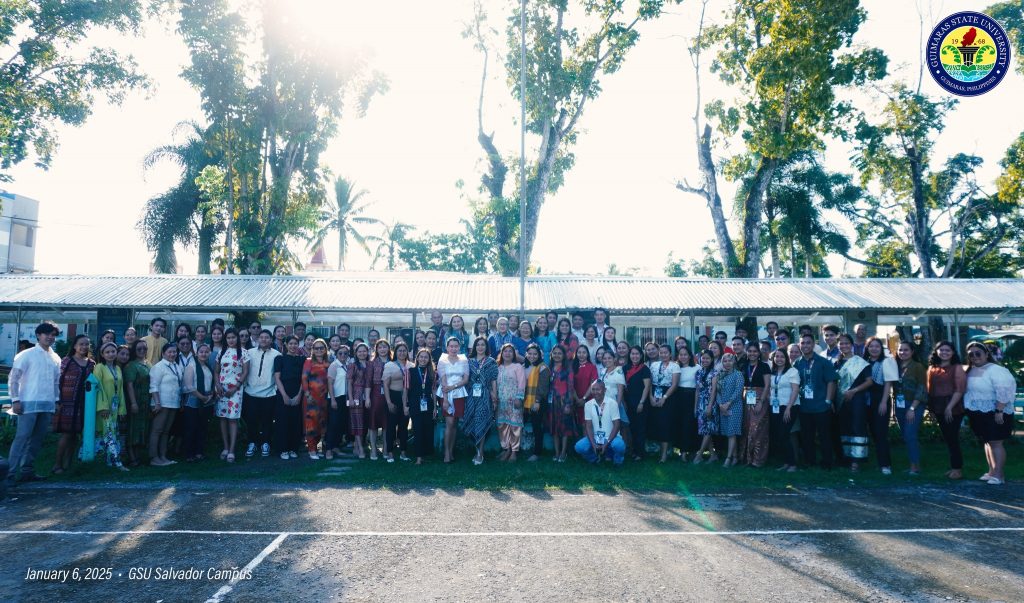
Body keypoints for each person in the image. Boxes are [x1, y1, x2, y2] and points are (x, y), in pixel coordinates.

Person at [6, 321, 62, 485]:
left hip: (47, 403)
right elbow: (13, 378)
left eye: (53, 335)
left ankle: (27, 471)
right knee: (22, 438)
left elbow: (56, 382)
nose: (50, 337)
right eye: (47, 334)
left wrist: (56, 400)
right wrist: (15, 400)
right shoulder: (26, 354)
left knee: (37, 439)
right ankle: (9, 474)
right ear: (38, 335)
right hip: (27, 402)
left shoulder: (55, 357)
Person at [963, 341, 1016, 485]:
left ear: (986, 354)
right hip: (978, 412)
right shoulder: (971, 370)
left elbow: (1004, 390)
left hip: (996, 412)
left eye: (978, 353)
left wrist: (999, 410)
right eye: (971, 354)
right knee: (988, 442)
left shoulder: (996, 370)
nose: (975, 356)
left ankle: (999, 475)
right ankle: (991, 471)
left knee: (996, 442)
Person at [51, 334, 94, 474]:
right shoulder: (67, 361)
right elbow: (57, 381)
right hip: (66, 403)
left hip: (83, 405)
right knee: (66, 434)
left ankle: (68, 464)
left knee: (76, 435)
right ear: (75, 346)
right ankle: (57, 464)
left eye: (87, 344)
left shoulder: (91, 364)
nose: (84, 347)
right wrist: (57, 401)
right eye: (81, 344)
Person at [796, 334, 838, 470]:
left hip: (821, 405)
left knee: (824, 436)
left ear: (813, 344)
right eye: (803, 343)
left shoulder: (823, 362)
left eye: (808, 343)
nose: (805, 345)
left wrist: (828, 400)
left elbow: (831, 382)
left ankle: (827, 462)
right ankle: (809, 461)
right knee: (807, 436)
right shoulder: (797, 363)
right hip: (804, 406)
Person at [927, 341, 967, 479]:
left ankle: (957, 469)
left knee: (952, 437)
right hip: (938, 407)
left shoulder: (957, 368)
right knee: (948, 438)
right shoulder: (933, 368)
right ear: (936, 351)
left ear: (953, 352)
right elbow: (930, 390)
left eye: (947, 350)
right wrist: (931, 409)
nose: (944, 352)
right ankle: (953, 467)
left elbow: (959, 389)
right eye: (941, 350)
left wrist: (949, 407)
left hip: (953, 408)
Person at [835, 333, 872, 472]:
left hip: (857, 399)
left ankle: (856, 461)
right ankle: (847, 458)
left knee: (857, 427)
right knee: (844, 428)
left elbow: (869, 382)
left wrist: (854, 390)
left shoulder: (860, 362)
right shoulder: (837, 363)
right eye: (841, 343)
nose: (844, 346)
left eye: (846, 343)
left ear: (851, 345)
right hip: (841, 401)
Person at [892, 341, 928, 475]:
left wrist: (912, 408)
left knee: (910, 434)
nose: (902, 352)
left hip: (914, 404)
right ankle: (915, 462)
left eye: (906, 350)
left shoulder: (918, 367)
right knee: (906, 435)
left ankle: (914, 467)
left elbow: (922, 388)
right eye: (900, 350)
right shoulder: (895, 366)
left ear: (912, 352)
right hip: (900, 404)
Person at [243, 330, 280, 458]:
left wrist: (275, 389)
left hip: (269, 394)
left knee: (267, 421)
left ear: (271, 339)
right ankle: (252, 443)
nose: (264, 339)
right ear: (258, 339)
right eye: (261, 337)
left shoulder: (277, 354)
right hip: (251, 393)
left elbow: (278, 374)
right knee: (251, 420)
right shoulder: (249, 352)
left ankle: (266, 443)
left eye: (267, 337)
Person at [864, 336, 897, 475]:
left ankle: (885, 465)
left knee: (881, 433)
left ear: (881, 348)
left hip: (880, 399)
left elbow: (888, 383)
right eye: (871, 346)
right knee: (872, 432)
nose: (874, 349)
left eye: (877, 346)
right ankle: (877, 462)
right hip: (867, 400)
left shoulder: (887, 361)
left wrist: (883, 402)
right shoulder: (864, 362)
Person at [214, 328, 248, 463]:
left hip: (236, 390)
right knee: (222, 418)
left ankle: (232, 450)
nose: (231, 340)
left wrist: (236, 387)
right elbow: (216, 371)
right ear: (225, 339)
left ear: (237, 338)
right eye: (228, 338)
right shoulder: (221, 352)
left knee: (233, 419)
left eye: (233, 337)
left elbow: (245, 372)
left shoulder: (243, 352)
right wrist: (217, 385)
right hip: (222, 389)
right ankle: (225, 447)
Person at [93, 342, 127, 471]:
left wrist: (122, 409)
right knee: (108, 433)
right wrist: (103, 407)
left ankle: (108, 461)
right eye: (107, 352)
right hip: (104, 407)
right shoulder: (99, 367)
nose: (111, 354)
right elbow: (98, 388)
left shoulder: (117, 368)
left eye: (113, 351)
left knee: (112, 432)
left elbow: (121, 389)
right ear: (102, 354)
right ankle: (116, 462)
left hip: (115, 406)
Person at [464, 336, 498, 465]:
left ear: (486, 347)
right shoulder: (469, 361)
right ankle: (476, 450)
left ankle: (480, 453)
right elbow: (466, 379)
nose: (480, 347)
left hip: (485, 395)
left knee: (481, 421)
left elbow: (493, 380)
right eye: (478, 345)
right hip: (471, 396)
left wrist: (494, 396)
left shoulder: (491, 361)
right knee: (472, 422)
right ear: (474, 347)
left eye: (483, 345)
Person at [575, 380, 625, 465]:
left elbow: (617, 425)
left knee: (619, 445)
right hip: (596, 438)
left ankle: (617, 460)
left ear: (604, 390)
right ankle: (594, 459)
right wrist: (593, 444)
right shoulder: (588, 405)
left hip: (611, 438)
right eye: (593, 389)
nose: (595, 392)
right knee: (579, 447)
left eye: (598, 389)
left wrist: (606, 443)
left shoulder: (612, 403)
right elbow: (588, 426)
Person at [148, 343, 181, 467]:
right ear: (163, 353)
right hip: (161, 403)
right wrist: (157, 402)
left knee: (166, 431)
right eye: (170, 352)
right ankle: (154, 458)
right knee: (157, 430)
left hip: (173, 403)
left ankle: (163, 456)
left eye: (174, 352)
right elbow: (153, 386)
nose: (172, 354)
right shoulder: (159, 367)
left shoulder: (176, 366)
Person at [436, 336, 469, 463]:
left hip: (459, 394)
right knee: (449, 423)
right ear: (447, 347)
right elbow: (443, 381)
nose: (453, 348)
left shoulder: (464, 359)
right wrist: (445, 400)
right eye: (451, 346)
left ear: (459, 347)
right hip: (446, 395)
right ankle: (446, 452)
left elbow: (465, 379)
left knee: (455, 423)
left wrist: (453, 386)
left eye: (456, 346)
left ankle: (451, 450)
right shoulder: (442, 360)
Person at [767, 348, 800, 472]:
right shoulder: (773, 372)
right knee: (779, 435)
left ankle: (793, 464)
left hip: (789, 406)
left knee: (785, 434)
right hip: (775, 406)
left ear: (786, 358)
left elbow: (795, 390)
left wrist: (789, 408)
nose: (779, 359)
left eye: (782, 356)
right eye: (777, 356)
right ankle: (786, 462)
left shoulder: (792, 371)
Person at [740, 342, 771, 467]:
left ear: (759, 353)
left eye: (755, 351)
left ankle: (758, 460)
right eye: (750, 351)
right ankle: (747, 458)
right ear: (746, 352)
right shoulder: (744, 366)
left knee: (758, 428)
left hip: (760, 398)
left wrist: (761, 402)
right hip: (746, 399)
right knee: (747, 428)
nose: (752, 353)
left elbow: (767, 385)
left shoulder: (764, 366)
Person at [182, 343, 215, 462]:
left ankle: (199, 452)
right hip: (193, 400)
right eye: (201, 352)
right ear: (197, 353)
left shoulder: (208, 367)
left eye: (206, 352)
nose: (204, 354)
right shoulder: (191, 366)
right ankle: (189, 454)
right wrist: (202, 397)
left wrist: (210, 395)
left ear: (209, 353)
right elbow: (188, 386)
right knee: (191, 427)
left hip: (207, 400)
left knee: (203, 427)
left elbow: (211, 383)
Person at [274, 336, 305, 460]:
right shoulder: (279, 359)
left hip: (298, 392)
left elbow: (304, 379)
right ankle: (283, 449)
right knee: (283, 422)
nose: (293, 346)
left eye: (295, 343)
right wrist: (284, 396)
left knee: (296, 422)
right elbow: (277, 378)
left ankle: (293, 448)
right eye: (290, 343)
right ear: (286, 345)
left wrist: (299, 395)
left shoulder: (302, 359)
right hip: (283, 393)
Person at [648, 344, 680, 463]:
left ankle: (664, 455)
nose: (663, 355)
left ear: (670, 354)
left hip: (668, 396)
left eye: (666, 352)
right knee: (656, 423)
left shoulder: (675, 366)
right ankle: (657, 450)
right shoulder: (654, 365)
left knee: (665, 425)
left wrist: (664, 398)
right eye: (661, 352)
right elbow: (649, 382)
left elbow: (674, 385)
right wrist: (650, 397)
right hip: (655, 394)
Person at [711, 352, 744, 467]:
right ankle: (735, 457)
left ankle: (728, 458)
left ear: (733, 361)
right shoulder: (721, 375)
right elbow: (717, 391)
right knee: (728, 433)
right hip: (722, 407)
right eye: (724, 361)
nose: (727, 363)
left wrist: (728, 403)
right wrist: (720, 404)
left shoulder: (738, 374)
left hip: (734, 407)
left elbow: (738, 391)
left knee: (732, 433)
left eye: (729, 360)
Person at [495, 343, 526, 462]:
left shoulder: (517, 367)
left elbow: (522, 383)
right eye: (505, 351)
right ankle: (506, 449)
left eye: (510, 351)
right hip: (501, 401)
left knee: (515, 425)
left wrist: (519, 398)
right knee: (502, 425)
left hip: (514, 401)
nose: (507, 353)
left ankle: (514, 451)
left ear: (514, 354)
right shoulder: (498, 367)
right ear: (501, 353)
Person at [383, 342, 413, 462]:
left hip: (406, 398)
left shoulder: (411, 365)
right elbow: (385, 385)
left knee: (403, 426)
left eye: (404, 350)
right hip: (393, 397)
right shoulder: (390, 365)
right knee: (391, 426)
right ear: (395, 352)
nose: (402, 353)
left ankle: (403, 452)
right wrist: (389, 402)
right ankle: (390, 453)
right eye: (399, 350)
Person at [301, 339, 331, 460]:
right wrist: (307, 394)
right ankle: (312, 449)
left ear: (325, 349)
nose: (319, 350)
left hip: (324, 399)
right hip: (311, 398)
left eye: (321, 348)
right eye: (316, 348)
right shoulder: (308, 362)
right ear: (313, 350)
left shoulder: (328, 363)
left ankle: (317, 447)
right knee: (311, 424)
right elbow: (304, 378)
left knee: (321, 424)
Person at [407, 348, 437, 465]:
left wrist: (435, 407)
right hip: (415, 404)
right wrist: (406, 405)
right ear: (417, 358)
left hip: (428, 404)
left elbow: (434, 391)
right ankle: (418, 457)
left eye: (426, 357)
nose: (423, 359)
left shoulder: (432, 373)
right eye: (421, 357)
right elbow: (406, 390)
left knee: (427, 430)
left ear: (429, 359)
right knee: (418, 430)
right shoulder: (410, 371)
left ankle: (425, 454)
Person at [623, 346, 652, 461]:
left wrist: (641, 402)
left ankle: (640, 453)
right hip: (629, 402)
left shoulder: (644, 369)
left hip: (641, 402)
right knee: (632, 428)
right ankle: (634, 451)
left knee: (640, 428)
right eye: (632, 354)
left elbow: (647, 387)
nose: (634, 356)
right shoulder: (625, 368)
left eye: (637, 354)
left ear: (641, 355)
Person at [522, 343, 550, 462]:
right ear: (526, 354)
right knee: (519, 425)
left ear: (539, 355)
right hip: (524, 402)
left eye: (535, 354)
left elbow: (543, 387)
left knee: (537, 427)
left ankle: (537, 453)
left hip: (538, 402)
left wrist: (537, 401)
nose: (532, 356)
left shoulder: (543, 367)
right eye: (530, 353)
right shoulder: (524, 366)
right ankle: (515, 449)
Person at [547, 344, 575, 462]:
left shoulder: (567, 369)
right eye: (555, 353)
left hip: (564, 401)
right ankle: (556, 452)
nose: (557, 355)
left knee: (564, 428)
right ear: (551, 355)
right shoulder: (549, 368)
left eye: (559, 353)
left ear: (563, 355)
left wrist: (568, 404)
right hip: (551, 402)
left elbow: (570, 387)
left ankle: (563, 453)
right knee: (554, 427)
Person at [366, 340, 391, 460]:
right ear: (376, 349)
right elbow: (368, 382)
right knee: (373, 423)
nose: (382, 349)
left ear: (388, 348)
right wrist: (367, 398)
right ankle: (374, 449)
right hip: (375, 395)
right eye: (380, 347)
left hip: (390, 394)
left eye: (384, 347)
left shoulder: (393, 362)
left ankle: (386, 449)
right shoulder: (372, 363)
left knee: (387, 423)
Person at [346, 343, 372, 459]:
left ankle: (356, 447)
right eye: (359, 351)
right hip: (356, 395)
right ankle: (361, 448)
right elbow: (349, 383)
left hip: (369, 394)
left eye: (364, 351)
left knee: (365, 422)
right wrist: (351, 398)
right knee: (357, 423)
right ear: (356, 353)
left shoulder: (370, 364)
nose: (362, 353)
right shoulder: (353, 365)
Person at [674, 347, 700, 462]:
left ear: (690, 356)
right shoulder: (676, 367)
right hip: (679, 398)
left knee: (690, 425)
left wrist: (696, 405)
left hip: (692, 397)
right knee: (680, 425)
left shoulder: (697, 367)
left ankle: (693, 451)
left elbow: (698, 387)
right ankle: (682, 452)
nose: (683, 357)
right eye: (681, 354)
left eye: (685, 354)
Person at [325, 345, 351, 456]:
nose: (343, 355)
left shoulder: (347, 365)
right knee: (333, 424)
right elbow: (330, 383)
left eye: (345, 353)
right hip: (335, 398)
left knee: (341, 424)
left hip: (344, 398)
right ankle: (328, 449)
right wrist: (333, 400)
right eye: (340, 353)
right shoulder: (334, 365)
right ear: (336, 354)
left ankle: (336, 446)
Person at [571, 344, 598, 429]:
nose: (581, 355)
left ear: (587, 354)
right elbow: (570, 384)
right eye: (579, 352)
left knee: (587, 424)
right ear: (576, 354)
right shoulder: (571, 367)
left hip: (589, 399)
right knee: (576, 425)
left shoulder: (592, 367)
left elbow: (593, 384)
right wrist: (577, 399)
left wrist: (584, 398)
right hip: (575, 400)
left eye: (584, 352)